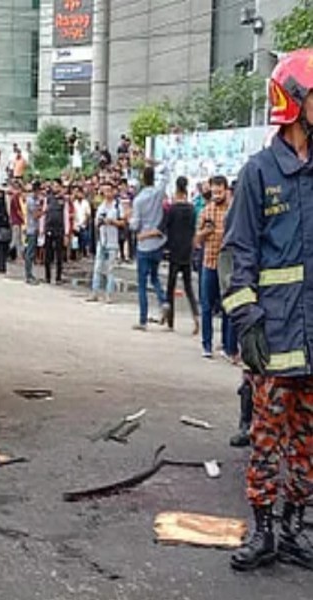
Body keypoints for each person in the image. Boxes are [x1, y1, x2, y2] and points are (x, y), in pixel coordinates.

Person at [222, 49, 313, 572]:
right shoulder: (259, 173)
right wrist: (247, 321)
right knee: (266, 440)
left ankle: (296, 528)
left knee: (306, 443)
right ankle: (264, 532)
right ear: (296, 104)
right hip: (273, 339)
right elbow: (237, 256)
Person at [195, 175, 237, 360]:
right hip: (209, 263)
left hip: (227, 267)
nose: (217, 195)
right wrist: (205, 232)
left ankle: (228, 347)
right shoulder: (206, 211)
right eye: (214, 191)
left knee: (228, 306)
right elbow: (196, 240)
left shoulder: (233, 211)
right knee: (206, 306)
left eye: (220, 191)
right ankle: (206, 345)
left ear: (226, 191)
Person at [130, 163, 171, 331]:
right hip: (158, 242)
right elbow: (166, 174)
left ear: (142, 179)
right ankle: (163, 300)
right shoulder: (158, 192)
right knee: (154, 277)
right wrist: (157, 164)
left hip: (144, 243)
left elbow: (135, 224)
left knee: (142, 283)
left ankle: (143, 319)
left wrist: (129, 222)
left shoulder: (138, 200)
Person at [160, 176, 200, 334]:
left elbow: (164, 227)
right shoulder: (191, 209)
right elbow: (193, 229)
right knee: (188, 286)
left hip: (174, 250)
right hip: (187, 251)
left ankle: (170, 322)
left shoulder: (172, 209)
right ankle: (196, 316)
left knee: (171, 286)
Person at [86, 181, 122, 303]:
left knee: (110, 269)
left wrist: (111, 221)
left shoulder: (117, 206)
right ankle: (94, 292)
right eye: (104, 191)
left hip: (113, 240)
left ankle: (109, 295)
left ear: (113, 192)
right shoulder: (101, 206)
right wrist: (100, 222)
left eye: (108, 190)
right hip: (102, 240)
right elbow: (96, 222)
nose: (106, 193)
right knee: (97, 268)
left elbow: (123, 222)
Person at [44, 180, 68, 284]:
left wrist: (66, 232)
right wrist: (42, 229)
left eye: (57, 185)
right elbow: (44, 214)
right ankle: (47, 277)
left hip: (59, 229)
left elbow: (66, 216)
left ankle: (58, 277)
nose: (55, 187)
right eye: (53, 185)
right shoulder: (48, 199)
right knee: (48, 254)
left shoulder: (63, 200)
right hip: (49, 228)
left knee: (59, 255)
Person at [24, 181, 43, 285]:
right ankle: (28, 275)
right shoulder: (31, 201)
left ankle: (30, 273)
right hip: (31, 229)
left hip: (35, 228)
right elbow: (35, 215)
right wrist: (43, 211)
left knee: (32, 253)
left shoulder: (36, 200)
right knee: (29, 253)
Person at [8, 183, 25, 262]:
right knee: (14, 240)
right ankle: (6, 253)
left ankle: (19, 256)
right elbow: (18, 211)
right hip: (16, 221)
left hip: (17, 221)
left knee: (18, 240)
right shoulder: (15, 198)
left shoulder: (16, 198)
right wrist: (23, 218)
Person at [73, 189, 92, 259]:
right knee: (76, 240)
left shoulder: (86, 203)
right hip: (76, 224)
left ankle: (86, 252)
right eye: (78, 194)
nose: (79, 195)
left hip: (83, 223)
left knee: (85, 238)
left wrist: (85, 222)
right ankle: (77, 253)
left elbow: (88, 214)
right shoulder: (74, 203)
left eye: (81, 194)